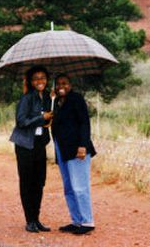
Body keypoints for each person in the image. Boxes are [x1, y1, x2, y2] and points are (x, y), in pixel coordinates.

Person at [10, 65, 53, 233]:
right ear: (30, 81)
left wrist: (48, 118)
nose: (39, 81)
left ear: (47, 80)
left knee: (39, 181)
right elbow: (21, 122)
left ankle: (36, 218)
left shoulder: (48, 98)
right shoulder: (26, 98)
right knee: (27, 181)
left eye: (42, 78)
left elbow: (49, 117)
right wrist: (40, 117)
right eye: (36, 78)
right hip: (25, 145)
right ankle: (30, 220)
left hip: (39, 144)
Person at [52, 73, 97, 235]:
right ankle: (76, 220)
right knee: (69, 187)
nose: (61, 86)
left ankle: (87, 221)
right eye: (57, 84)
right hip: (62, 150)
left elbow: (85, 122)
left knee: (79, 186)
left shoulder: (76, 99)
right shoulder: (56, 102)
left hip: (77, 149)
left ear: (70, 85)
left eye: (64, 83)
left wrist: (83, 145)